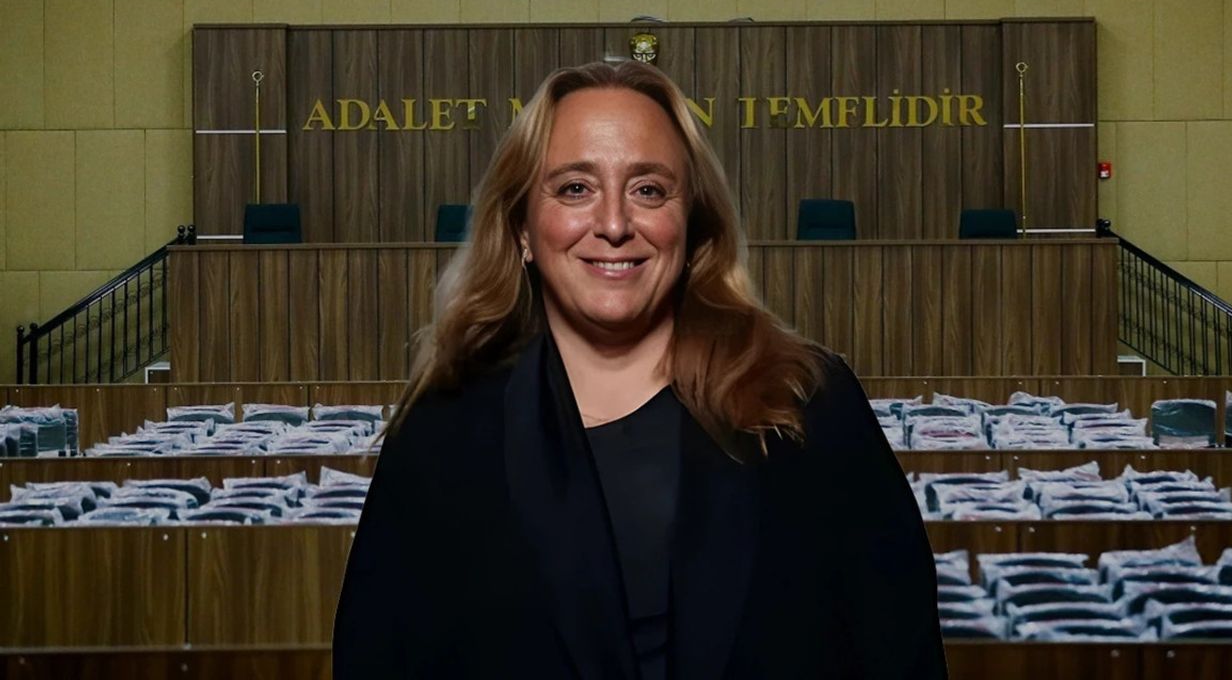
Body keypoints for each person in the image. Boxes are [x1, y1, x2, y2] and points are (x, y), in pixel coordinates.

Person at [333, 60, 946, 679]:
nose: (614, 225)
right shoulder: (442, 429)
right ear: (521, 229)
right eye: (575, 188)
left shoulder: (809, 401)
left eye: (648, 189)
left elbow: (902, 652)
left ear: (693, 223)